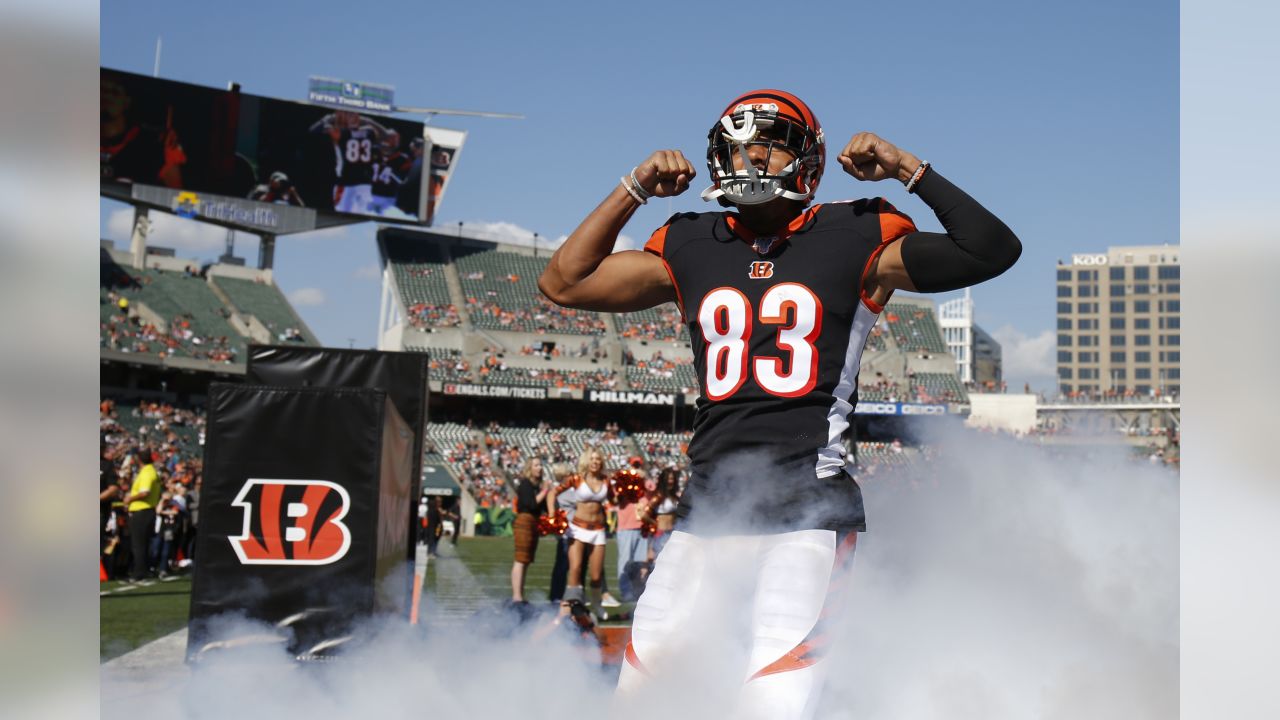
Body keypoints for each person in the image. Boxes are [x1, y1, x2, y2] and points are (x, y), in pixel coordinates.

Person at [538, 89, 1020, 719]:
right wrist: (633, 185)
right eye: (737, 147)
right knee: (644, 696)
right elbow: (563, 281)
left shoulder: (856, 233)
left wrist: (908, 167)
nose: (749, 160)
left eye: (765, 145)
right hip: (707, 509)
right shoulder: (689, 241)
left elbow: (991, 249)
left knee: (773, 698)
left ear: (806, 161)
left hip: (808, 511)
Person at [546, 447, 613, 620]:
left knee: (596, 575)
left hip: (598, 530)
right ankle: (569, 606)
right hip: (576, 529)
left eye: (598, 459)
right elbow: (553, 493)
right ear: (586, 461)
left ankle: (596, 604)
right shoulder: (576, 479)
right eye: (592, 459)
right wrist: (552, 514)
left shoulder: (606, 481)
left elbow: (614, 500)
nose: (595, 462)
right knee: (574, 568)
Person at [511, 457, 549, 603]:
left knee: (526, 560)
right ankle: (517, 596)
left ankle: (520, 594)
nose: (540, 468)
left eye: (540, 465)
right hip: (524, 521)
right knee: (521, 559)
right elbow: (531, 504)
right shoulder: (525, 484)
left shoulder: (536, 487)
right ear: (529, 468)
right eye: (536, 465)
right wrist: (545, 491)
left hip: (533, 522)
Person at [612, 457, 649, 603]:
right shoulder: (623, 484)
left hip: (643, 527)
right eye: (634, 465)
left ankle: (637, 591)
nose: (637, 468)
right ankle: (625, 591)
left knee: (640, 562)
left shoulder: (645, 484)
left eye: (638, 465)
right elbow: (615, 499)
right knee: (626, 561)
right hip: (627, 527)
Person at [122, 448, 162, 581]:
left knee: (138, 544)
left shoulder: (146, 472)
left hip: (142, 511)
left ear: (139, 459)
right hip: (148, 511)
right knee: (143, 544)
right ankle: (143, 570)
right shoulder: (152, 471)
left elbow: (145, 492)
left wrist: (129, 499)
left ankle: (138, 573)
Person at [638, 466, 682, 561]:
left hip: (672, 534)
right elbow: (644, 515)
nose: (671, 481)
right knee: (658, 562)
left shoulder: (675, 497)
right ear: (663, 480)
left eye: (672, 479)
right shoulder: (658, 497)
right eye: (668, 479)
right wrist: (655, 524)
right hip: (660, 534)